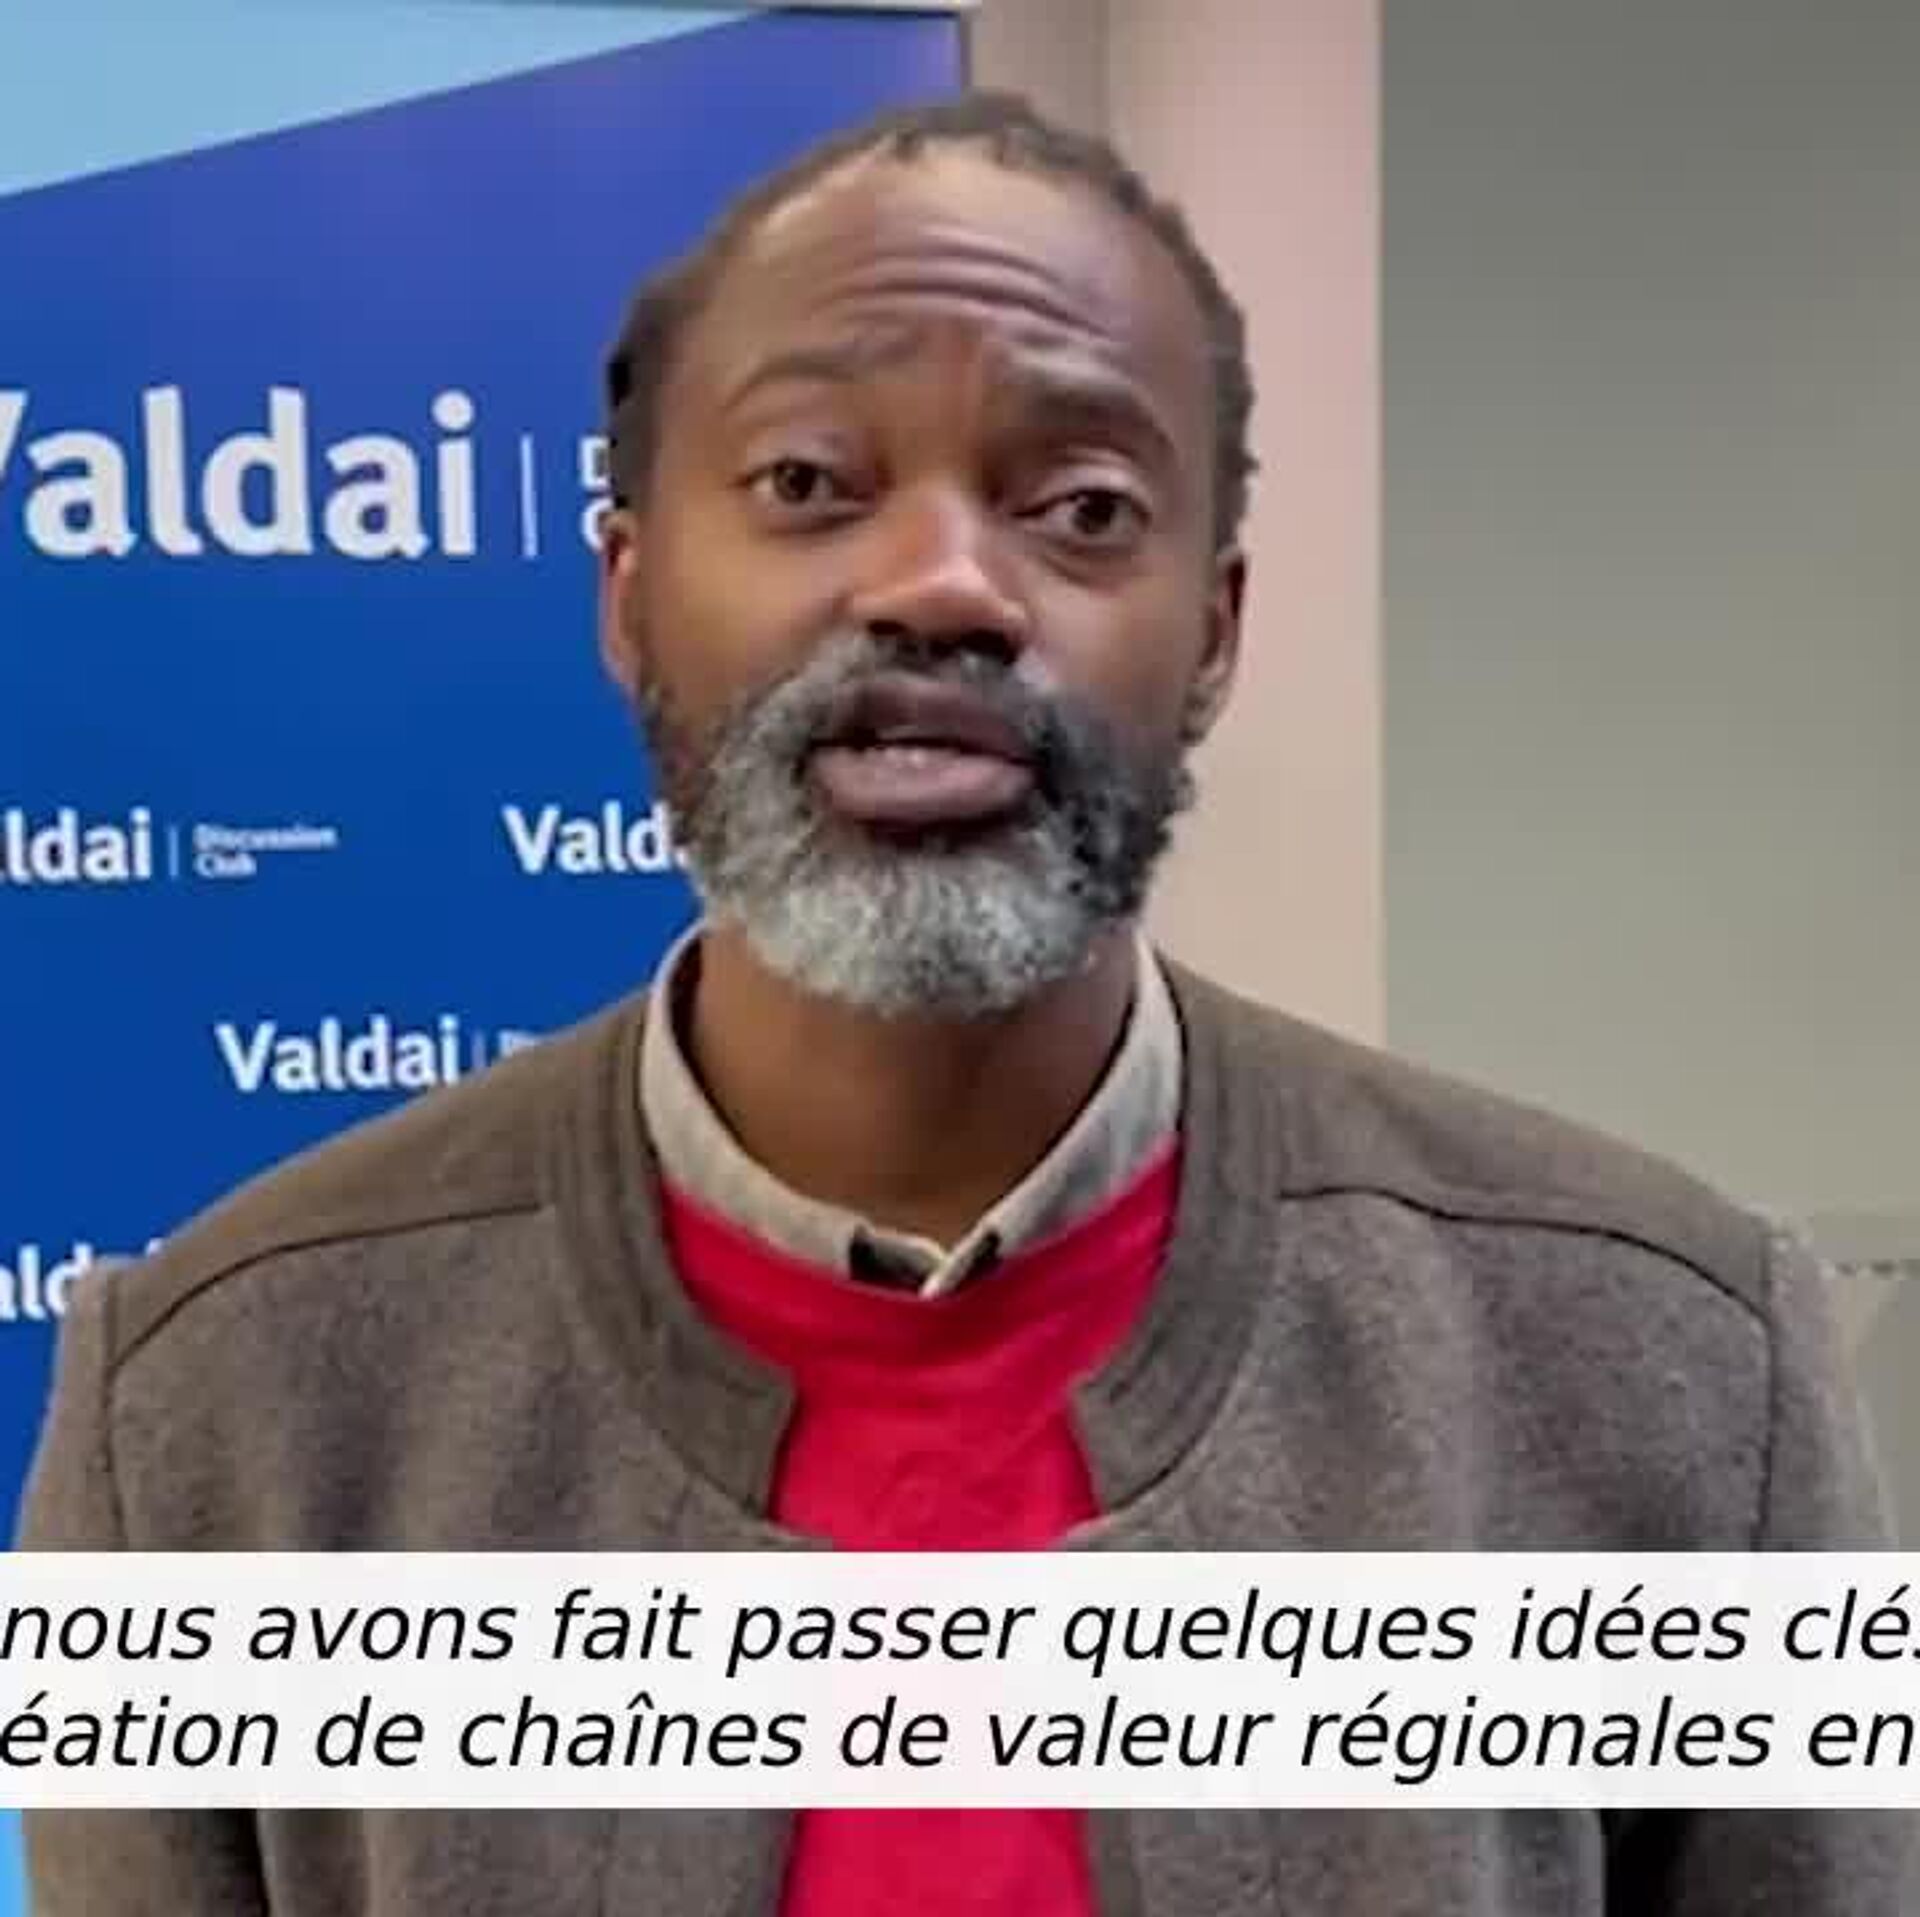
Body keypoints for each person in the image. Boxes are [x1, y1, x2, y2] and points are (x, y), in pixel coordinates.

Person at [17, 90, 1906, 1917]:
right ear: (629, 593)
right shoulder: (205, 1418)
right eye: (807, 482)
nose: (940, 583)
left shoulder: (1679, 1368)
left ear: (1215, 633)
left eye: (1080, 505)